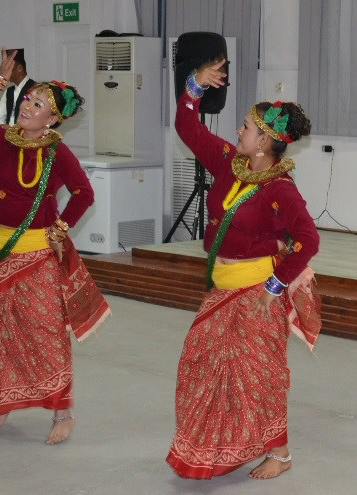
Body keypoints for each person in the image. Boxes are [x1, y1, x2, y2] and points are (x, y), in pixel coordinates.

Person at [166, 60, 322, 480]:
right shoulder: (227, 162)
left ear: (264, 142)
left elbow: (308, 239)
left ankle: (280, 454)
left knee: (258, 375)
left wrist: (275, 285)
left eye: (247, 128)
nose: (239, 131)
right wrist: (193, 88)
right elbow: (187, 128)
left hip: (257, 295)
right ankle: (218, 443)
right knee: (200, 363)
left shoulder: (279, 189)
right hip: (221, 288)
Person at [0, 50, 110, 445]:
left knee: (44, 333)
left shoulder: (57, 153)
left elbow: (84, 193)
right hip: (1, 253)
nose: (27, 106)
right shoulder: (1, 139)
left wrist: (61, 226)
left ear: (51, 120)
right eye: (27, 98)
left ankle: (62, 413)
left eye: (37, 104)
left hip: (38, 257)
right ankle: (1, 399)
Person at [0, 48, 35, 127]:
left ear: (19, 68)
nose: (4, 71)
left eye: (8, 67)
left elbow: (37, 121)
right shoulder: (9, 91)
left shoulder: (35, 89)